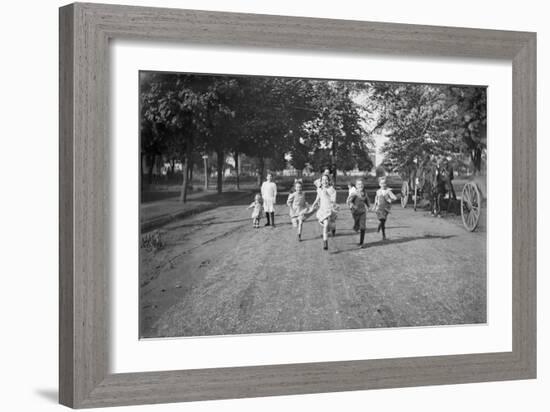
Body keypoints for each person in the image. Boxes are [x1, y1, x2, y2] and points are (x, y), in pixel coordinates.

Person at [312, 174, 338, 250]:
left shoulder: (332, 189)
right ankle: (325, 243)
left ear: (329, 181)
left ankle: (333, 228)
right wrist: (314, 204)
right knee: (326, 224)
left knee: (330, 225)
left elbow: (333, 201)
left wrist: (327, 194)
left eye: (326, 179)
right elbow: (318, 197)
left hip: (330, 209)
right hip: (322, 210)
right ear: (321, 181)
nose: (325, 181)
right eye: (323, 180)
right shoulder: (319, 189)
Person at [346, 179, 370, 247]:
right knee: (357, 225)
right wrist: (353, 206)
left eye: (362, 184)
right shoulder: (354, 193)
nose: (361, 185)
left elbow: (366, 200)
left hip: (363, 212)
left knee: (363, 227)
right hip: (355, 212)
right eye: (359, 184)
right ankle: (356, 226)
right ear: (356, 186)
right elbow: (349, 201)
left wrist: (368, 206)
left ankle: (361, 243)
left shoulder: (365, 193)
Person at [373, 176, 397, 240]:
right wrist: (374, 206)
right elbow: (376, 198)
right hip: (379, 208)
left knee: (383, 221)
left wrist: (390, 199)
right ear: (379, 184)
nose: (383, 185)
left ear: (386, 184)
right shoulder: (378, 191)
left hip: (386, 209)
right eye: (382, 183)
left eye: (384, 183)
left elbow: (394, 197)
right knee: (382, 220)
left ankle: (379, 226)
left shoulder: (388, 191)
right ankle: (384, 235)